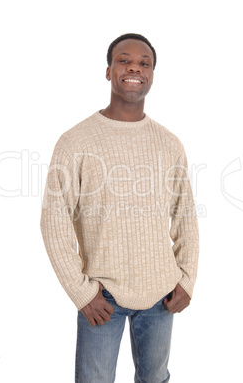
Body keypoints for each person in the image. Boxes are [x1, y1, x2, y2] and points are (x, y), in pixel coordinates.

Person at [40, 32, 200, 382]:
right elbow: (54, 221)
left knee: (154, 379)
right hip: (102, 295)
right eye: (124, 60)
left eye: (145, 64)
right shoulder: (76, 141)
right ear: (109, 71)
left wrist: (187, 278)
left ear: (152, 75)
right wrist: (81, 292)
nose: (134, 69)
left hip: (161, 294)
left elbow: (185, 214)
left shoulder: (169, 143)